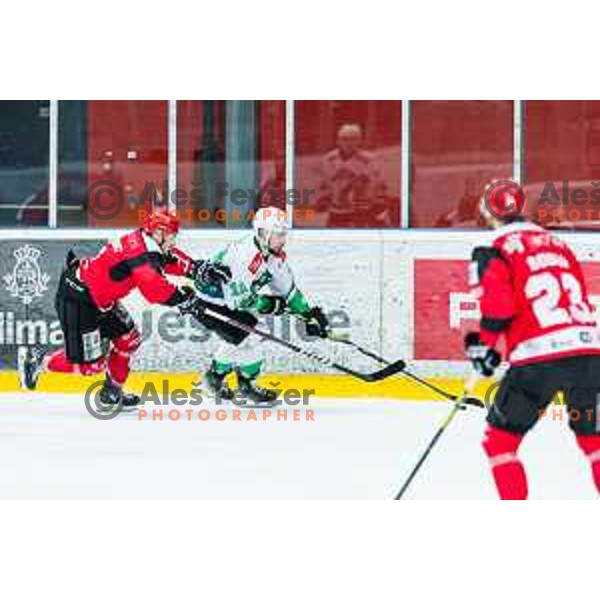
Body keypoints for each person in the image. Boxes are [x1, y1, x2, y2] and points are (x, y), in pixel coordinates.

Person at [465, 180, 600, 499]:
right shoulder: (559, 244)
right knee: (594, 442)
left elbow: (499, 308)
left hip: (538, 361)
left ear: (487, 211)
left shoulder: (492, 247)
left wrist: (484, 346)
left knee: (500, 442)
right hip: (589, 355)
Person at [18, 209, 218, 409]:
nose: (174, 241)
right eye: (171, 236)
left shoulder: (146, 242)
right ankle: (37, 360)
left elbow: (166, 259)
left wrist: (194, 268)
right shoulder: (140, 252)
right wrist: (183, 299)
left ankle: (111, 393)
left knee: (129, 339)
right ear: (158, 232)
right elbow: (154, 288)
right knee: (92, 367)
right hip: (79, 298)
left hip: (102, 299)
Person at [192, 206, 330, 404]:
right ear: (263, 233)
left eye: (284, 234)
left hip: (226, 301)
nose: (283, 239)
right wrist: (270, 305)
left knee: (246, 335)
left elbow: (288, 291)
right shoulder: (245, 255)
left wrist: (308, 315)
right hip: (208, 303)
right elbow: (238, 301)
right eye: (279, 234)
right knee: (253, 333)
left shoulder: (273, 255)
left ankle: (214, 378)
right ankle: (244, 386)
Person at [316, 123, 388, 227]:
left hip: (362, 209)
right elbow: (324, 182)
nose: (349, 143)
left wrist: (379, 201)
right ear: (338, 141)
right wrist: (323, 198)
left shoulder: (369, 160)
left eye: (353, 139)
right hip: (337, 209)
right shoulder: (329, 159)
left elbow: (379, 183)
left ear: (360, 140)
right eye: (344, 139)